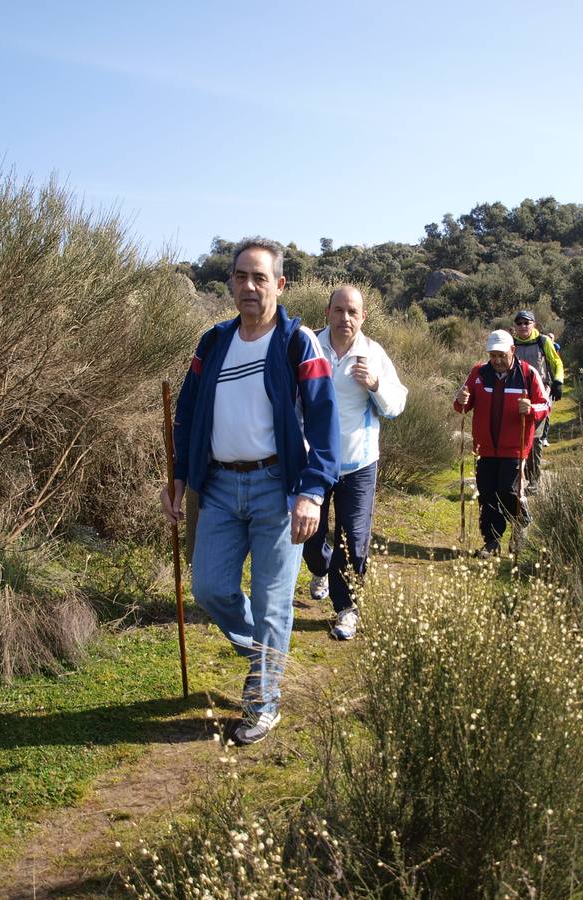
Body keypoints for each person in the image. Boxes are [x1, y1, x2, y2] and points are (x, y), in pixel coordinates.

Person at [162, 237, 339, 745]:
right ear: (230, 283)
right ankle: (266, 653)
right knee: (209, 588)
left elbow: (326, 424)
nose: (249, 286)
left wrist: (312, 492)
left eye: (260, 277)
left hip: (277, 488)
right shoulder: (212, 342)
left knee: (273, 600)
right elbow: (188, 413)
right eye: (241, 276)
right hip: (216, 485)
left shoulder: (296, 342)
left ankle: (263, 701)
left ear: (280, 285)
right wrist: (179, 477)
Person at [304, 285, 407, 640]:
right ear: (328, 313)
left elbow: (396, 405)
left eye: (353, 312)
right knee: (310, 538)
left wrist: (376, 384)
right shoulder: (308, 348)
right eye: (339, 310)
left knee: (354, 538)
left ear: (363, 317)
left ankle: (347, 609)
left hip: (359, 463)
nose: (345, 318)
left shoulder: (373, 354)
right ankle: (320, 569)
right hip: (313, 462)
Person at [453, 329, 549, 557]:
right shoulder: (478, 373)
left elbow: (545, 406)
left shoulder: (527, 374)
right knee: (487, 494)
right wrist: (460, 400)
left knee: (508, 491)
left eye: (501, 355)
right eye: (492, 355)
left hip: (514, 448)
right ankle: (491, 542)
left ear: (512, 351)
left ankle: (521, 522)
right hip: (484, 448)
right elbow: (463, 406)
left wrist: (532, 409)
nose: (496, 360)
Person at [511, 310, 564, 490]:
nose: (523, 326)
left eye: (527, 323)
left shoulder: (543, 341)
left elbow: (556, 363)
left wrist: (558, 381)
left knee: (534, 439)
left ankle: (533, 481)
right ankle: (513, 477)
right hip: (515, 396)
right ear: (515, 326)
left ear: (533, 324)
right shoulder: (511, 344)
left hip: (540, 395)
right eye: (519, 323)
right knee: (514, 437)